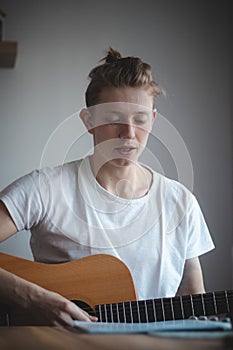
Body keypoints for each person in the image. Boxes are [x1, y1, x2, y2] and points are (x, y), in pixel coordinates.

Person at [0, 48, 214, 326]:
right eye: (114, 118)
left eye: (140, 120)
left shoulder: (181, 203)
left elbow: (195, 309)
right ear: (89, 121)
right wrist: (31, 298)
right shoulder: (45, 188)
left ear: (153, 119)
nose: (129, 134)